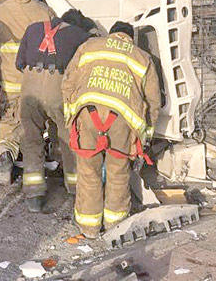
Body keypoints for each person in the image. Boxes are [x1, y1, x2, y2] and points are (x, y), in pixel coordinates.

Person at [62, 21, 160, 238]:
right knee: (118, 172)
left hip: (88, 114)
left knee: (88, 172)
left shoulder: (90, 45)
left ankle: (89, 228)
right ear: (130, 38)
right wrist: (146, 136)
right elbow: (153, 101)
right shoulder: (142, 57)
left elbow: (68, 83)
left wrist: (71, 117)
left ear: (112, 33)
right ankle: (116, 227)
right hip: (121, 121)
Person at [0, 0, 54, 185]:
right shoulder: (43, 10)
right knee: (37, 121)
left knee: (9, 120)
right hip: (38, 81)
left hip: (10, 81)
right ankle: (38, 161)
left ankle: (4, 155)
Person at [16, 9, 93, 212]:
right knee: (69, 139)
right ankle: (76, 188)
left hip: (29, 89)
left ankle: (34, 195)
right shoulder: (80, 35)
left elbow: (19, 63)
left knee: (31, 140)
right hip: (57, 90)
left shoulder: (33, 28)